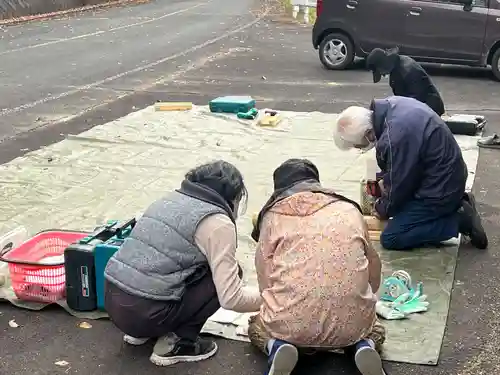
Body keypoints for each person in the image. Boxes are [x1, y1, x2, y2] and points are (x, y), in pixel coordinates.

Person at [104, 160, 262, 366]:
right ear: (233, 196)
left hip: (113, 303)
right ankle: (179, 344)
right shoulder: (217, 222)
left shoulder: (167, 199)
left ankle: (140, 333)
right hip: (146, 314)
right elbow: (231, 299)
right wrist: (271, 299)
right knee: (232, 273)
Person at [249, 158, 387, 375]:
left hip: (292, 326)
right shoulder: (349, 209)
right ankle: (363, 347)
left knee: (257, 326)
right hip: (352, 324)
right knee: (373, 329)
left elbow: (265, 281)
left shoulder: (272, 216)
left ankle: (278, 347)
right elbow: (373, 268)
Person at [333, 96, 488, 250]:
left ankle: (458, 221)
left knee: (391, 237)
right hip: (446, 176)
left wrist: (382, 208)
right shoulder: (390, 107)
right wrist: (384, 181)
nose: (361, 148)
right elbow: (401, 168)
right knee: (393, 199)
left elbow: (400, 187)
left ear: (368, 134)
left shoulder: (395, 138)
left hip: (440, 190)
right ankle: (458, 201)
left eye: (359, 145)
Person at [366, 47, 445, 116]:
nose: (382, 75)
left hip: (430, 109)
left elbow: (414, 102)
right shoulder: (396, 66)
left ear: (383, 65)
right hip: (418, 106)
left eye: (380, 72)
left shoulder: (407, 71)